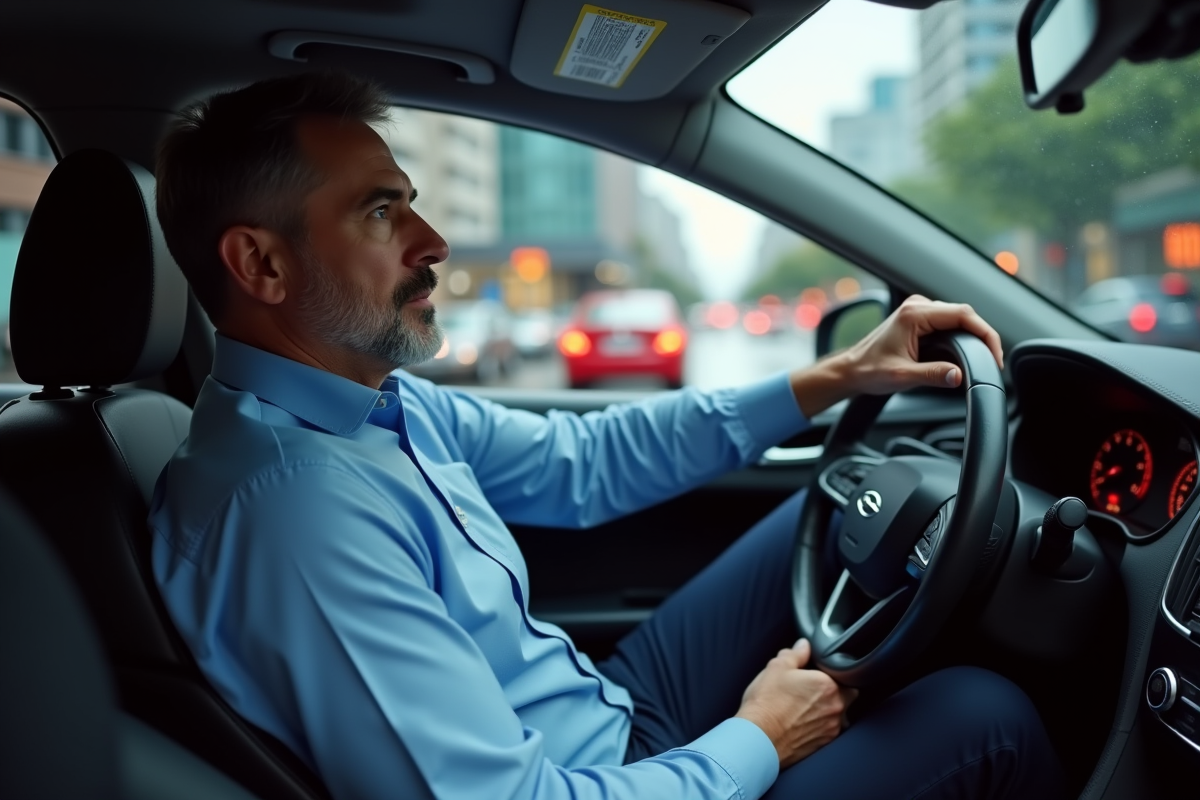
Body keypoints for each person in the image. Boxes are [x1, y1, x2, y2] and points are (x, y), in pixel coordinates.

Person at [150, 72, 1063, 800]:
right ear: (260, 264)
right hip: (596, 775)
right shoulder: (296, 513)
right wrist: (759, 739)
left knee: (836, 506)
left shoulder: (374, 402)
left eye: (412, 202)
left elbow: (584, 462)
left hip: (600, 714)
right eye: (381, 212)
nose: (433, 240)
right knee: (987, 715)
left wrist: (836, 377)